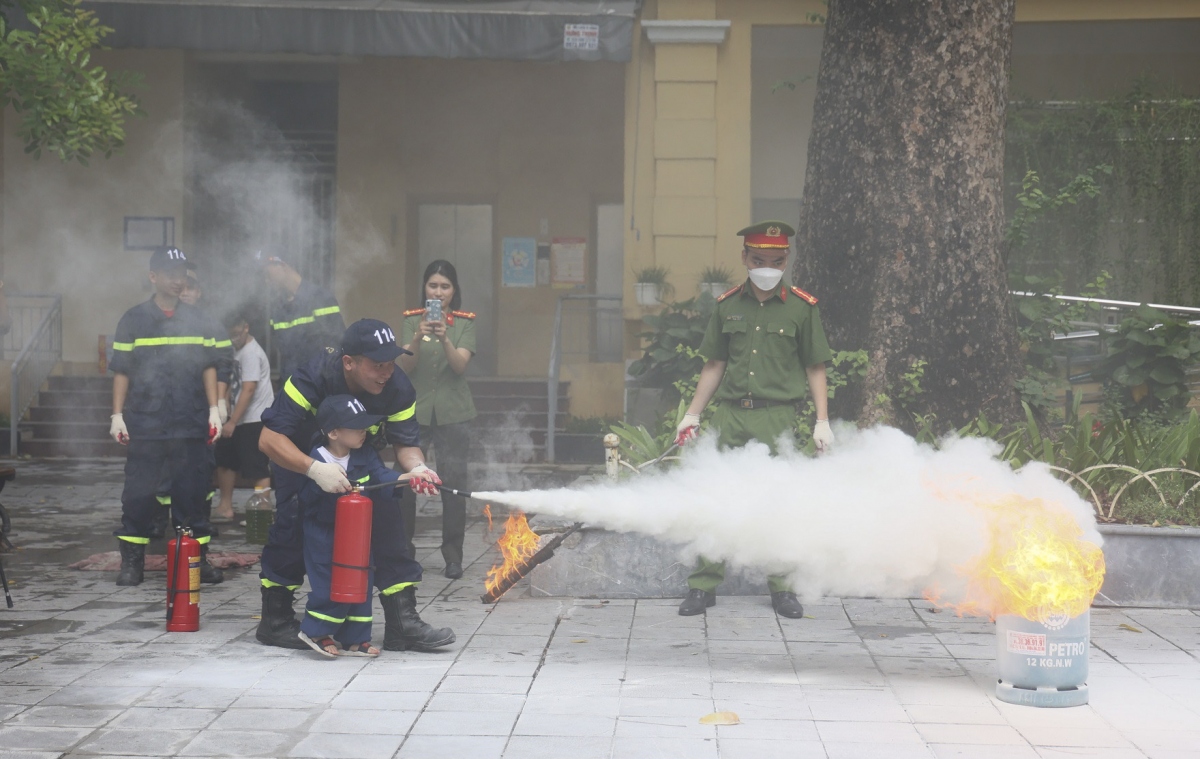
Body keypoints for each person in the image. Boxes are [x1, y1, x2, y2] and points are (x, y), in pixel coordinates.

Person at [256, 318, 455, 653]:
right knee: (293, 530)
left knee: (390, 525)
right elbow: (268, 438)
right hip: (302, 462)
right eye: (377, 365)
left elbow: (405, 444)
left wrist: (418, 468)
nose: (386, 372)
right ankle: (274, 621)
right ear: (349, 362)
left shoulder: (398, 388)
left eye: (391, 363)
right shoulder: (312, 376)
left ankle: (402, 624)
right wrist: (316, 469)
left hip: (362, 464)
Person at [673, 221, 835, 619]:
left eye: (776, 260)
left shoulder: (801, 307)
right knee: (716, 499)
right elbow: (714, 364)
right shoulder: (728, 305)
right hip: (730, 417)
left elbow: (816, 367)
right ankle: (702, 586)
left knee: (778, 503)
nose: (767, 267)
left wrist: (822, 420)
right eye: (759, 259)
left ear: (786, 259)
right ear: (744, 258)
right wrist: (693, 413)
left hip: (775, 418)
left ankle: (783, 589)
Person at [108, 247, 224, 586]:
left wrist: (215, 408)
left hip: (190, 420)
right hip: (146, 421)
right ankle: (132, 562)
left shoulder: (200, 319)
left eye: (183, 273)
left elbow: (209, 366)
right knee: (139, 493)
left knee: (192, 493)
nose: (179, 280)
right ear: (153, 276)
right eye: (171, 273)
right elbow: (121, 371)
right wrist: (117, 415)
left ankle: (195, 559)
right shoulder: (133, 319)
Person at [297, 395, 426, 658]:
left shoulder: (364, 453)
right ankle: (315, 631)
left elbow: (380, 476)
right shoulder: (317, 460)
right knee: (328, 584)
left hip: (356, 535)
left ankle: (354, 638)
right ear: (333, 432)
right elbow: (308, 501)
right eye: (357, 427)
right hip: (324, 534)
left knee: (360, 580)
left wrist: (407, 477)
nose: (364, 432)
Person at [398, 260, 477, 580]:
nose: (439, 292)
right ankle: (403, 554)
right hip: (415, 413)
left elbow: (459, 366)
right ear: (425, 289)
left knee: (454, 487)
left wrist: (445, 338)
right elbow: (405, 367)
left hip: (454, 415)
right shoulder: (410, 321)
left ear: (454, 291)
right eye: (433, 286)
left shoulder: (465, 323)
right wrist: (416, 337)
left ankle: (453, 557)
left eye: (445, 287)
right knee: (403, 484)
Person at [212, 307, 274, 522]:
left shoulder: (251, 353)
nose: (234, 339)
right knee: (226, 460)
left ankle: (262, 515)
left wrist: (233, 422)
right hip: (237, 416)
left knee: (256, 466)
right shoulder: (236, 350)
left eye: (237, 334)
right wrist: (225, 405)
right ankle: (225, 506)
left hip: (254, 418)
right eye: (230, 336)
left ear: (246, 328)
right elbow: (233, 382)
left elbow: (248, 389)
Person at [258, 251, 344, 383]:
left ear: (282, 265)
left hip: (319, 388)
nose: (266, 281)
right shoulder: (277, 308)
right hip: (290, 386)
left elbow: (335, 347)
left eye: (268, 274)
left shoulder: (320, 298)